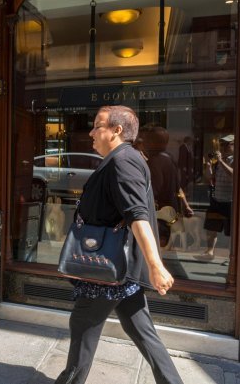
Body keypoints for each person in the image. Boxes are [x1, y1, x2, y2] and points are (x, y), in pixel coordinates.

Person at [55, 106, 183, 384]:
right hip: (120, 271)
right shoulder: (124, 158)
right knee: (142, 331)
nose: (91, 132)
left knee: (83, 326)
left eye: (97, 125)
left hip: (104, 271)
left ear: (117, 130)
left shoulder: (122, 161)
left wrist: (155, 265)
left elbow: (137, 215)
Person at [200, 134, 234, 261]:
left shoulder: (234, 159)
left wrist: (221, 161)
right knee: (211, 227)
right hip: (217, 199)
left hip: (231, 201)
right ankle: (209, 252)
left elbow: (234, 175)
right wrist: (208, 166)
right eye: (222, 144)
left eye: (228, 144)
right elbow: (208, 179)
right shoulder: (219, 161)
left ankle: (233, 257)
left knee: (232, 231)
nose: (224, 147)